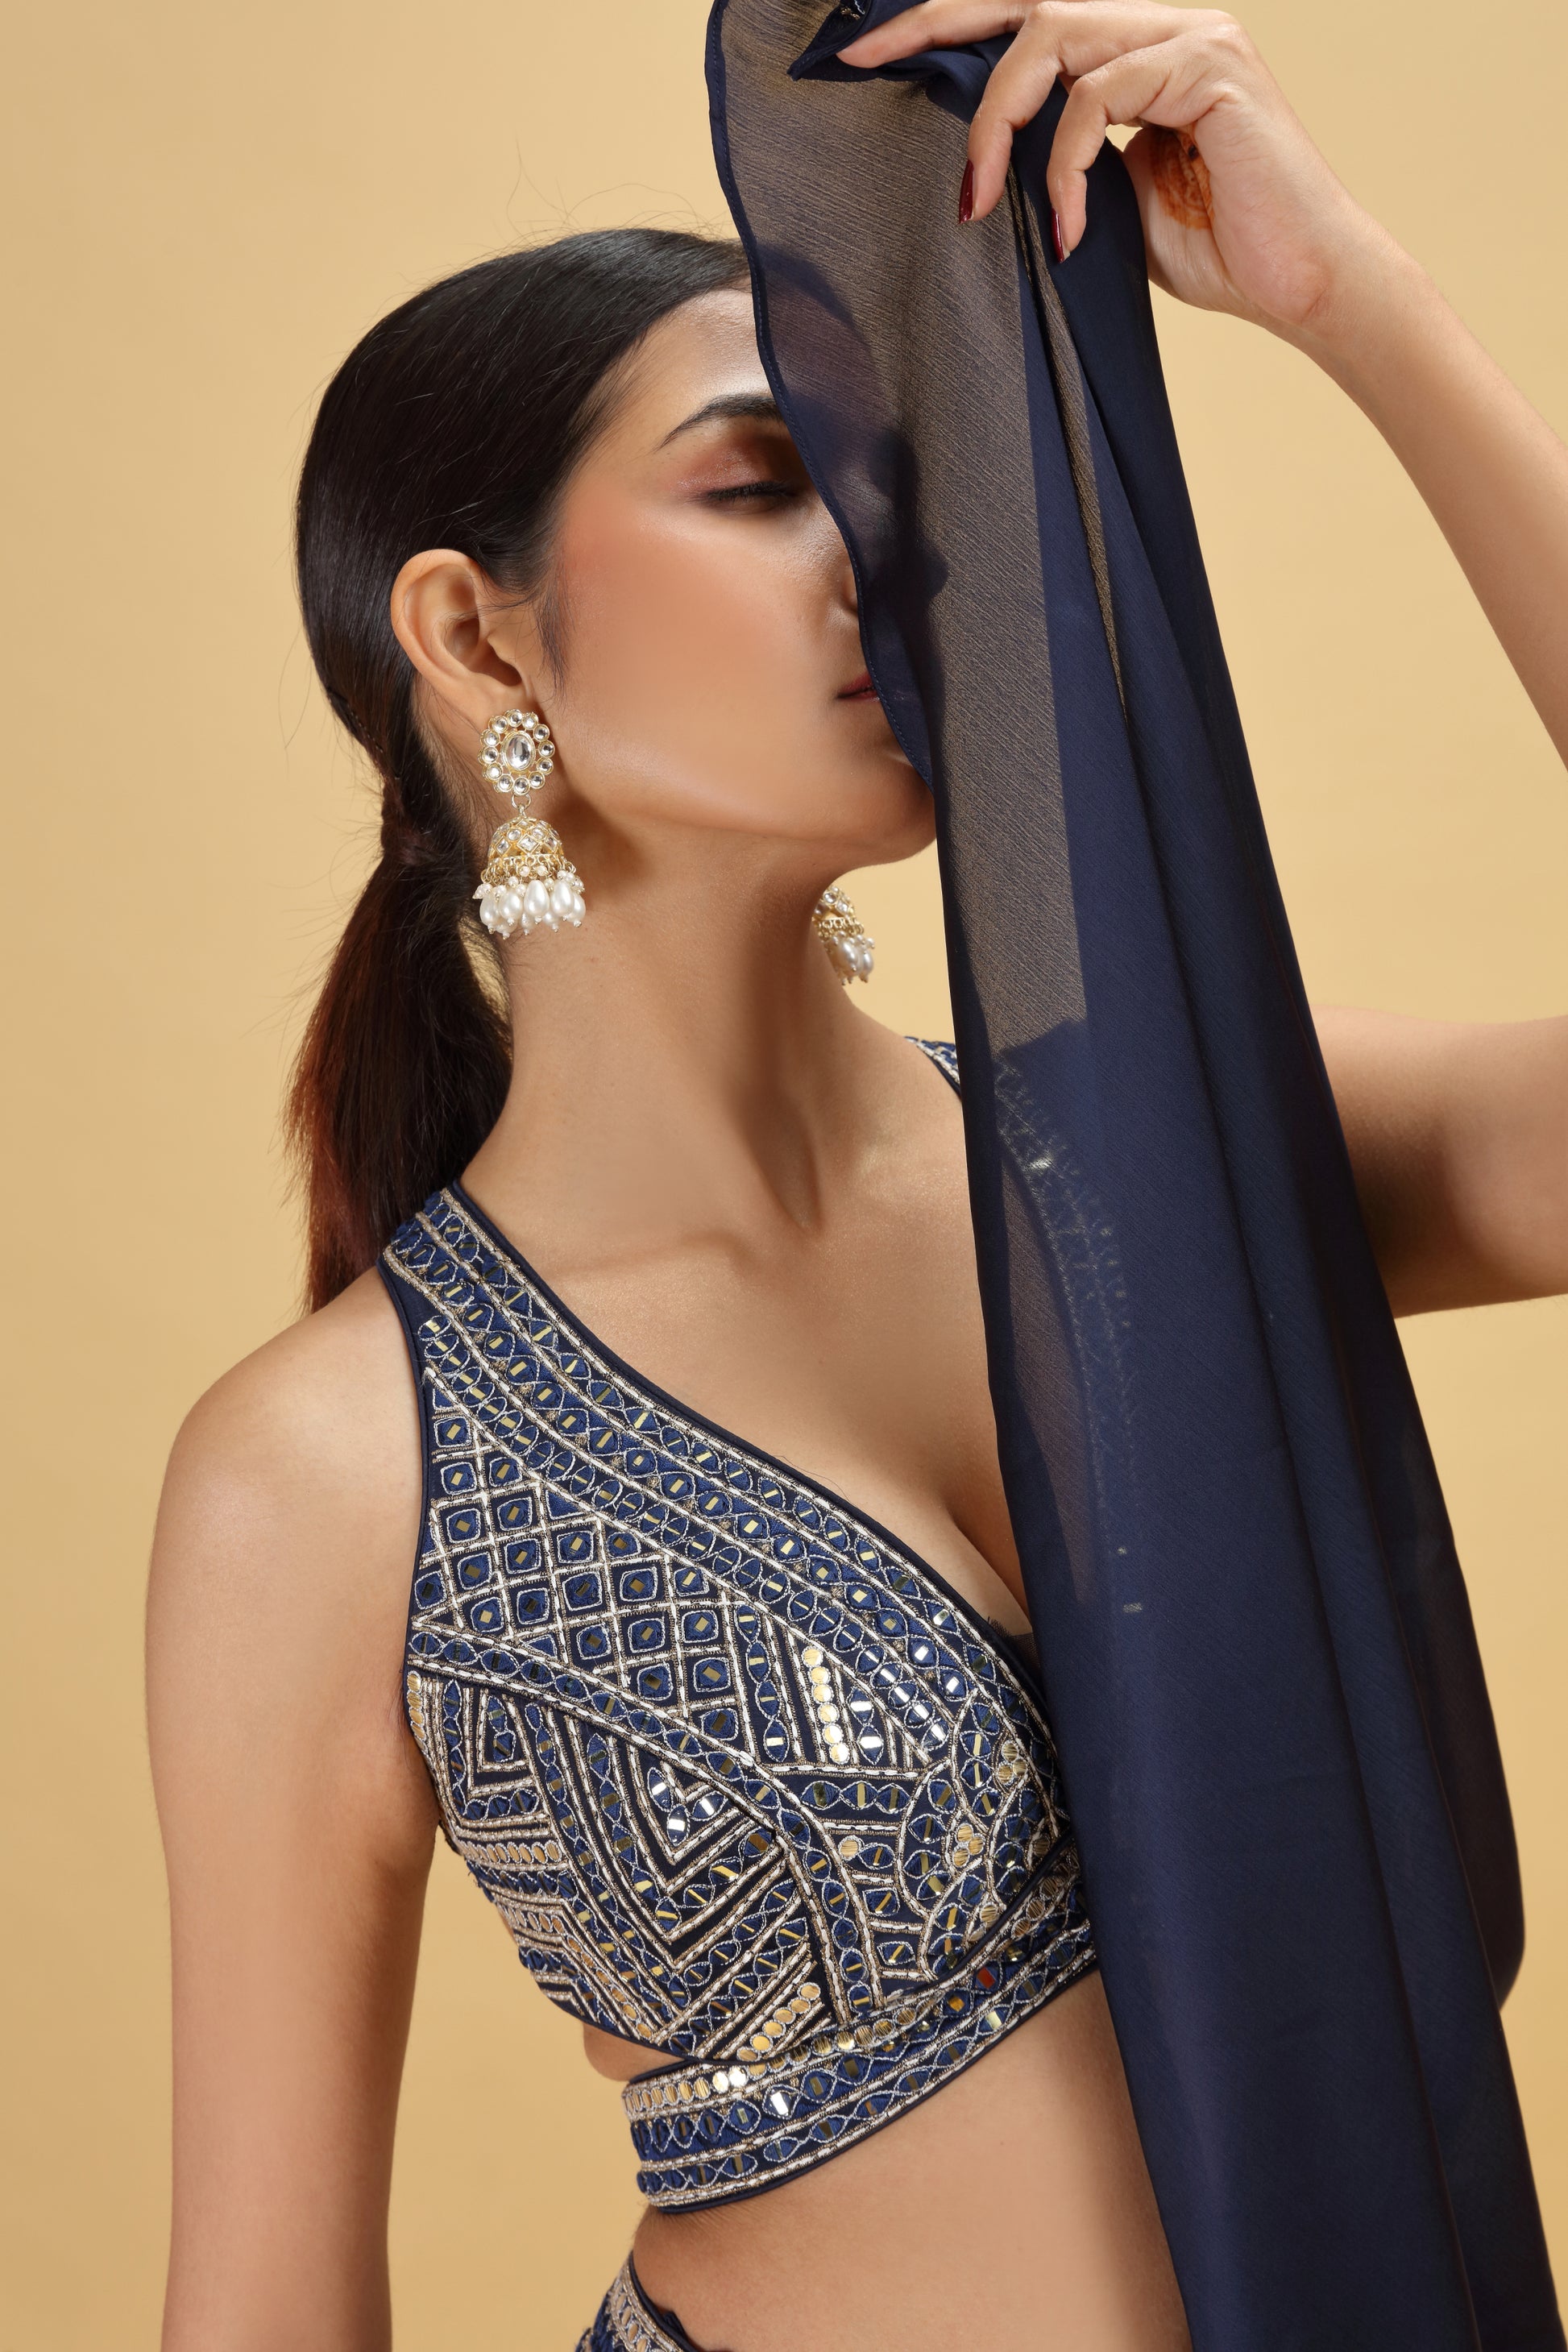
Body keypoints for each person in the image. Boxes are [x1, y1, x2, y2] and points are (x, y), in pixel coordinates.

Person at [147, 9, 1568, 2349]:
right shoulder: (331, 1472)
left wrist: (1363, 312)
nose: (882, 544)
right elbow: (267, 2304)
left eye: (890, 470)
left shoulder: (1168, 1164)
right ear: (478, 635)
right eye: (759, 482)